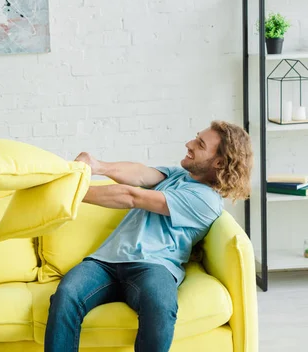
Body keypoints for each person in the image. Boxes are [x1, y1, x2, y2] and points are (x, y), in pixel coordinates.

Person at [44, 121, 253, 352]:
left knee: (160, 305)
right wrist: (97, 165)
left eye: (200, 144)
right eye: (196, 137)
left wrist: (67, 191)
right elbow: (141, 174)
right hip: (106, 261)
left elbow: (133, 197)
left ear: (219, 162)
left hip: (155, 266)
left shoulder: (206, 200)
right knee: (66, 296)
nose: (189, 144)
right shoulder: (179, 175)